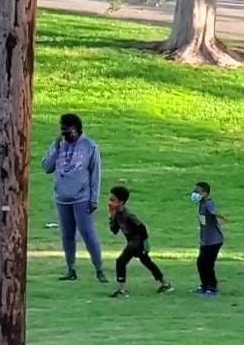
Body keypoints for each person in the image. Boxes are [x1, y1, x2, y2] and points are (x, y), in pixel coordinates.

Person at [41, 113, 104, 282]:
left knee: (87, 233)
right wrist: (55, 147)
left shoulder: (90, 147)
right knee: (66, 235)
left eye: (67, 131)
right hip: (62, 197)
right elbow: (46, 167)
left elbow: (95, 174)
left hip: (82, 198)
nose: (65, 134)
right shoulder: (59, 144)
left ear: (76, 129)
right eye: (62, 131)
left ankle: (99, 269)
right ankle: (71, 269)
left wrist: (94, 198)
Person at [106, 186, 171, 297]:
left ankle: (122, 290)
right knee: (147, 262)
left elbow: (142, 228)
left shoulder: (129, 215)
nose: (110, 203)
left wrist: (145, 243)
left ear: (121, 202)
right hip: (131, 242)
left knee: (120, 261)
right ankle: (165, 283)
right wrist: (111, 217)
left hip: (137, 242)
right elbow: (114, 231)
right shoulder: (117, 215)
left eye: (113, 200)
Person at [191, 181, 224, 295]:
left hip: (214, 241)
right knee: (201, 263)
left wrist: (221, 218)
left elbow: (213, 212)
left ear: (204, 193)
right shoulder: (201, 204)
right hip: (205, 241)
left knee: (208, 264)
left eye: (197, 191)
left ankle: (212, 287)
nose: (194, 193)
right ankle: (205, 285)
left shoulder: (208, 203)